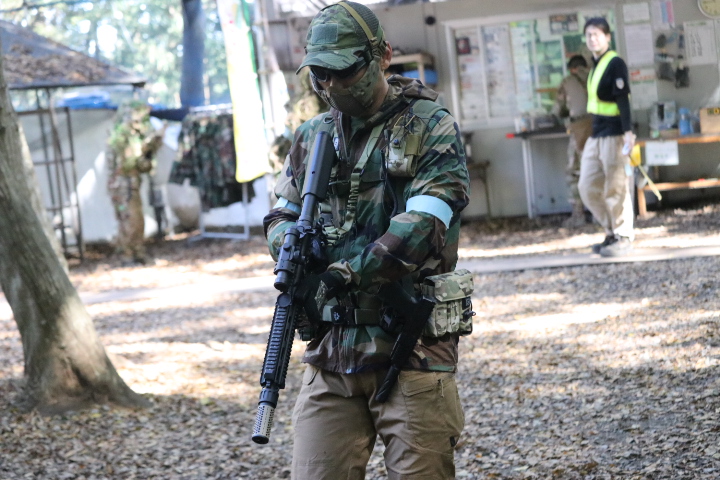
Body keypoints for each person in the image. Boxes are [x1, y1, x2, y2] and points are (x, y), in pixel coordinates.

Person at [262, 2, 471, 478]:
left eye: (344, 71)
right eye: (320, 74)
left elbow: (423, 226)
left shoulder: (430, 126)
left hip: (412, 350)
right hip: (332, 356)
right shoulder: (311, 136)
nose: (332, 85)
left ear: (382, 56)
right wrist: (289, 242)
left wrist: (344, 273)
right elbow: (280, 213)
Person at [578, 17, 635, 257]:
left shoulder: (615, 63)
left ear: (608, 37)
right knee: (587, 186)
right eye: (589, 35)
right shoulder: (595, 65)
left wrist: (628, 133)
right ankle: (610, 230)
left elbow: (623, 100)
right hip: (596, 133)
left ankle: (623, 236)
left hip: (615, 133)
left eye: (597, 34)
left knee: (616, 187)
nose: (592, 39)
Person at [106, 100, 164, 265]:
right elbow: (131, 163)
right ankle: (127, 255)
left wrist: (152, 147)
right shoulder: (125, 136)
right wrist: (148, 147)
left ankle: (137, 252)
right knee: (129, 220)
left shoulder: (132, 135)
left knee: (137, 220)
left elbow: (143, 166)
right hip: (123, 185)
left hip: (130, 184)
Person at [553, 54, 592, 228]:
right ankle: (601, 214)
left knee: (574, 172)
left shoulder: (568, 81)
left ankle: (578, 215)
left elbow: (558, 110)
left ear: (571, 69)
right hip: (601, 129)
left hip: (579, 130)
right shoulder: (596, 77)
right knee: (600, 170)